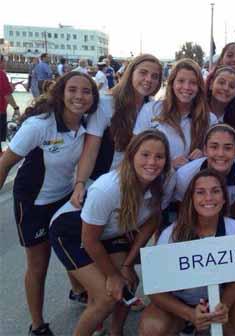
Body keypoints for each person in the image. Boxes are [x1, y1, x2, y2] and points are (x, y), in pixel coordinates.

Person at [0, 71, 99, 336]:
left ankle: (77, 290)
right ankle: (37, 324)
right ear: (61, 92)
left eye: (86, 91)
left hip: (64, 195)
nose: (79, 96)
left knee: (70, 248)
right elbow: (4, 164)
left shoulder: (88, 123)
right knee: (39, 263)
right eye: (73, 90)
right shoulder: (39, 126)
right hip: (32, 202)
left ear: (93, 96)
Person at [50, 130, 174, 336]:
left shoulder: (167, 179)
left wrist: (127, 265)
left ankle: (116, 332)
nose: (152, 162)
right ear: (132, 154)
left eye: (159, 156)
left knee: (130, 280)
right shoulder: (107, 188)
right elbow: (89, 241)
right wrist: (113, 275)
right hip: (72, 233)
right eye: (145, 154)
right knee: (105, 298)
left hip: (111, 232)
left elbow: (153, 219)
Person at [138, 169, 235, 336]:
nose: (208, 198)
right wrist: (188, 313)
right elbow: (155, 290)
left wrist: (224, 306)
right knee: (151, 327)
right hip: (181, 301)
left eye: (215, 191)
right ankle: (187, 325)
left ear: (224, 199)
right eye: (200, 192)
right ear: (191, 199)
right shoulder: (172, 234)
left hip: (220, 298)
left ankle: (211, 321)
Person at [70, 54, 163, 209]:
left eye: (155, 76)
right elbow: (90, 149)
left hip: (133, 184)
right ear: (131, 73)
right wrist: (80, 183)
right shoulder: (106, 103)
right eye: (143, 73)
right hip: (102, 182)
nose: (149, 79)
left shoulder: (153, 108)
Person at [133, 58, 216, 170]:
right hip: (155, 182)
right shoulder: (151, 110)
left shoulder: (209, 119)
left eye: (193, 83)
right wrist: (169, 165)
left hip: (191, 184)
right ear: (172, 83)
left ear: (199, 87)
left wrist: (204, 155)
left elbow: (215, 155)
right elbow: (134, 150)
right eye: (181, 81)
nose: (186, 87)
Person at [174, 124, 235, 224]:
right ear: (205, 150)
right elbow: (184, 211)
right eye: (214, 147)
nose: (220, 154)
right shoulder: (185, 175)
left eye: (227, 148)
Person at [205, 65, 235, 129]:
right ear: (211, 84)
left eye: (232, 86)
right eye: (221, 83)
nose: (226, 88)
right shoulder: (196, 112)